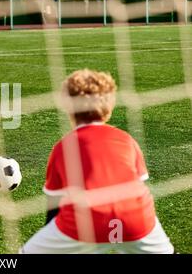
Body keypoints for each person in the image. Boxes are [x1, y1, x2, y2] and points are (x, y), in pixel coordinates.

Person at [20, 69, 174, 254]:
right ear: (109, 107)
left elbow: (54, 206)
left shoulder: (64, 146)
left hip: (86, 225)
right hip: (136, 220)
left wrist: (52, 238)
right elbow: (140, 186)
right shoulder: (126, 140)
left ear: (69, 107)